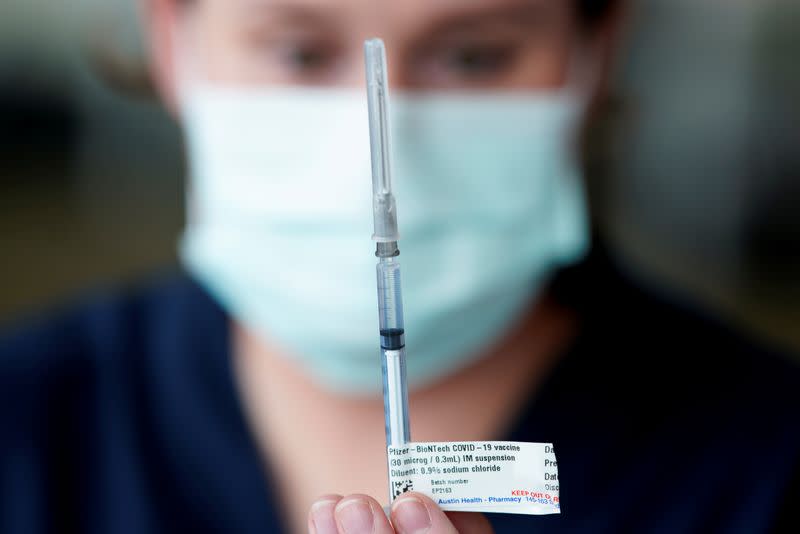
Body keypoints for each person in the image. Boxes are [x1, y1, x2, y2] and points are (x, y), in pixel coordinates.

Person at [1, 0, 799, 532]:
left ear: (599, 53)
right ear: (173, 43)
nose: (376, 151)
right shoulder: (26, 426)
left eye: (475, 58)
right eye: (299, 53)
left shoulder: (767, 466)